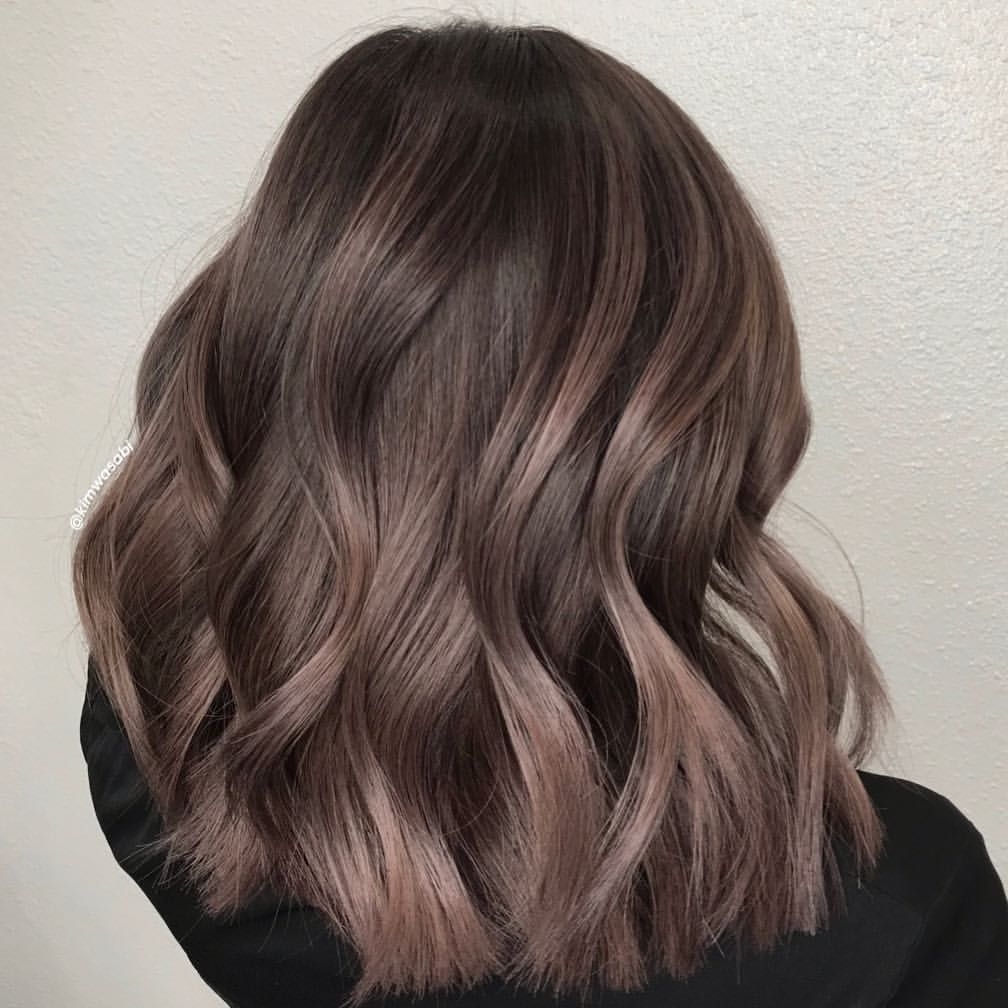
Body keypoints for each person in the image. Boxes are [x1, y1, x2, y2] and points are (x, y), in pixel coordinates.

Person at [73, 17, 1007, 1007]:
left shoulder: (164, 763)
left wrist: (224, 367)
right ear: (698, 416)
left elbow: (148, 507)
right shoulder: (893, 915)